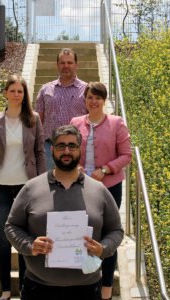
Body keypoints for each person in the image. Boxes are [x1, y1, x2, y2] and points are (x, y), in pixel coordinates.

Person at [5, 124, 124, 300]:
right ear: (52, 149)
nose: (66, 151)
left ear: (79, 150)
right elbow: (12, 226)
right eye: (61, 145)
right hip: (38, 288)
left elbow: (116, 231)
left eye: (72, 146)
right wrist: (29, 245)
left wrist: (103, 248)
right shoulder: (32, 188)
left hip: (87, 289)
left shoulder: (99, 190)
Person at [0, 74, 46, 300]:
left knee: (26, 237)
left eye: (20, 91)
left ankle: (28, 288)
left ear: (24, 95)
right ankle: (7, 289)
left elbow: (39, 153)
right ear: (5, 93)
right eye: (13, 90)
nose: (16, 94)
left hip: (26, 188)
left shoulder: (34, 119)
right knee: (3, 238)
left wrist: (41, 183)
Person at [70, 82, 132, 300]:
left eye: (97, 97)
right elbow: (70, 149)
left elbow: (126, 155)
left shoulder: (116, 123)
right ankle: (83, 283)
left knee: (108, 238)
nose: (93, 101)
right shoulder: (75, 122)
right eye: (89, 97)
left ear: (104, 100)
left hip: (109, 188)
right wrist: (75, 168)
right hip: (81, 187)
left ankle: (106, 290)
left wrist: (106, 169)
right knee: (82, 234)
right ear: (84, 100)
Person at [35, 48, 88, 169]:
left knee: (76, 186)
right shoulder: (45, 90)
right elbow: (38, 121)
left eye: (69, 62)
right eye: (62, 63)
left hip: (76, 148)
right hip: (50, 149)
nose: (66, 66)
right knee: (50, 185)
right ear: (57, 65)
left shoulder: (86, 90)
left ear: (76, 65)